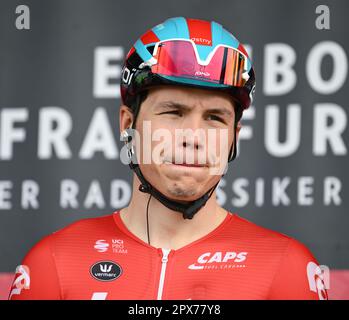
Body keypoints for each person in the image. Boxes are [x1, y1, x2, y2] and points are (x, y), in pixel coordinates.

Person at [9, 17, 328, 300]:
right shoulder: (53, 262)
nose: (193, 136)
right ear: (127, 125)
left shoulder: (287, 267)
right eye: (173, 112)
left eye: (215, 118)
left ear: (235, 136)